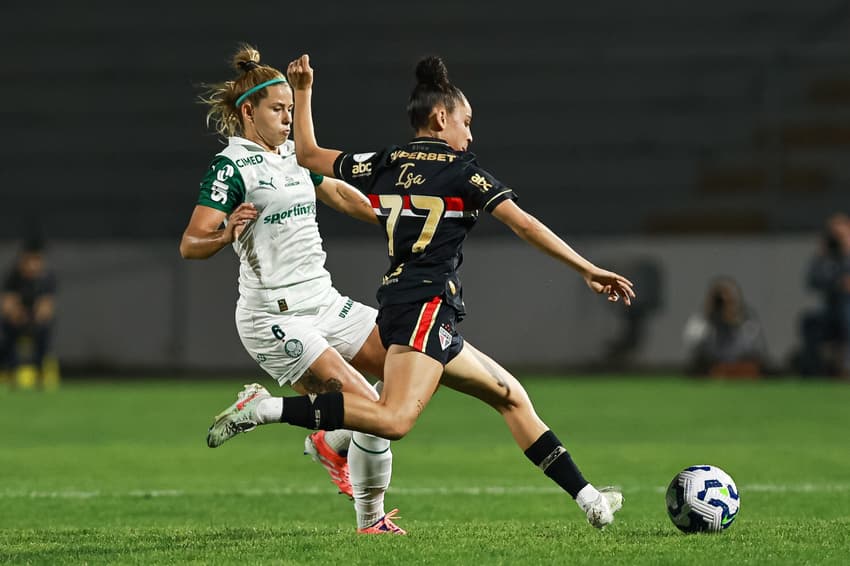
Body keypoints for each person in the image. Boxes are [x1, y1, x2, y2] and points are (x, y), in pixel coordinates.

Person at [207, 53, 636, 530]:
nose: (469, 134)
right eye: (465, 121)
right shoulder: (463, 172)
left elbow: (308, 156)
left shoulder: (389, 161)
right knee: (392, 420)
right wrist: (587, 268)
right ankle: (269, 410)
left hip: (407, 305)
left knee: (510, 395)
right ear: (441, 117)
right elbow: (526, 224)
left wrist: (305, 93)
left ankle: (592, 501)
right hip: (425, 308)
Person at [180, 45, 403, 534]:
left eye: (290, 108)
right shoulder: (231, 167)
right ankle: (372, 522)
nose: (288, 118)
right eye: (278, 110)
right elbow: (190, 244)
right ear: (248, 112)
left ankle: (328, 440)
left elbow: (341, 192)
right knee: (373, 412)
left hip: (324, 300)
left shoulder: (291, 155)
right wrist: (223, 234)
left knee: (407, 368)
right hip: (274, 317)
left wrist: (394, 215)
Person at [796, 213, 850, 377]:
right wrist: (822, 256)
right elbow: (812, 280)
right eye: (832, 233)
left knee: (847, 315)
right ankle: (815, 372)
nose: (836, 238)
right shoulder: (825, 256)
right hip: (831, 310)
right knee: (809, 322)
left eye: (840, 234)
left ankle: (847, 369)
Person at [682, 277, 768, 378]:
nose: (723, 306)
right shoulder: (700, 322)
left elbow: (757, 359)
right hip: (709, 378)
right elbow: (693, 357)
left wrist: (733, 321)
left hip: (740, 378)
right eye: (719, 301)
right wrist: (709, 319)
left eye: (729, 301)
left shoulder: (748, 323)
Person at [1, 237, 57, 389]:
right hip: (17, 321)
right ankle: (12, 373)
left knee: (44, 331)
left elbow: (47, 307)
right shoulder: (13, 277)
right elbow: (7, 304)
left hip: (36, 321)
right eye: (29, 261)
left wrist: (35, 319)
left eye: (36, 261)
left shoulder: (47, 279)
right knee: (7, 332)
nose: (32, 265)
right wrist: (18, 315)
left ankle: (40, 374)